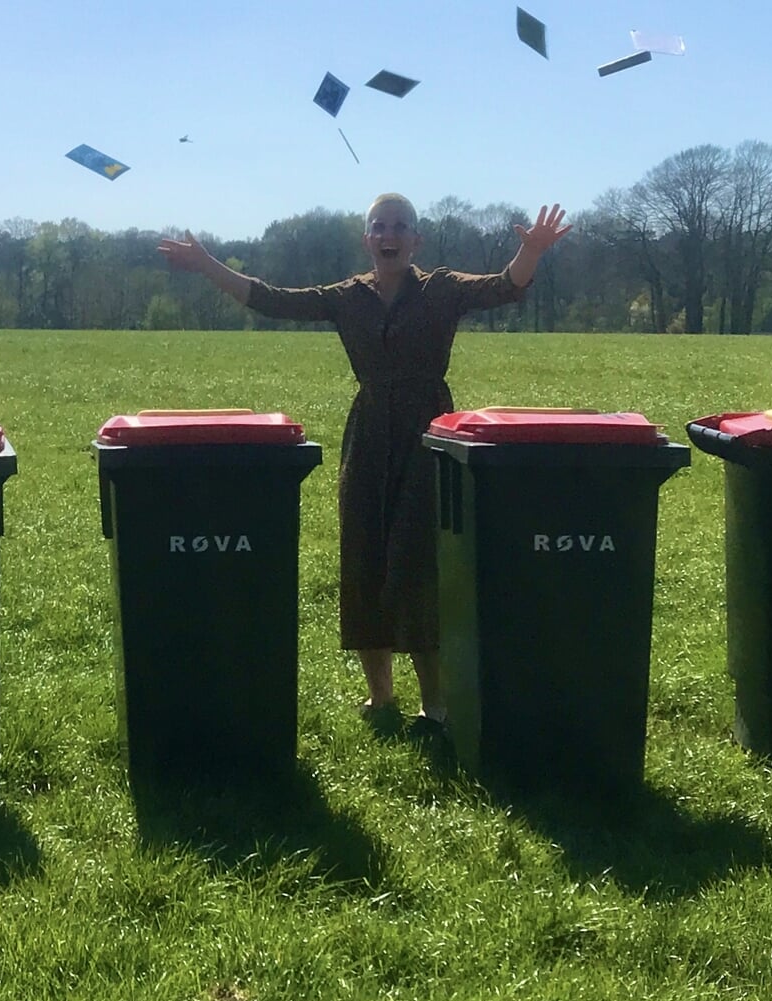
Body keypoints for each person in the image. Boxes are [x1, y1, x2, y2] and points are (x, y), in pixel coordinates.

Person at [157, 194, 570, 725]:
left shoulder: (441, 289)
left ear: (415, 241)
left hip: (427, 431)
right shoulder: (347, 296)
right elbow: (272, 300)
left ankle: (436, 702)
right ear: (367, 239)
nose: (389, 234)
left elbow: (505, 286)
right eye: (379, 226)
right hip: (370, 430)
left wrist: (532, 251)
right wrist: (206, 263)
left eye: (400, 227)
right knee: (364, 557)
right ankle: (381, 697)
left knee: (418, 563)